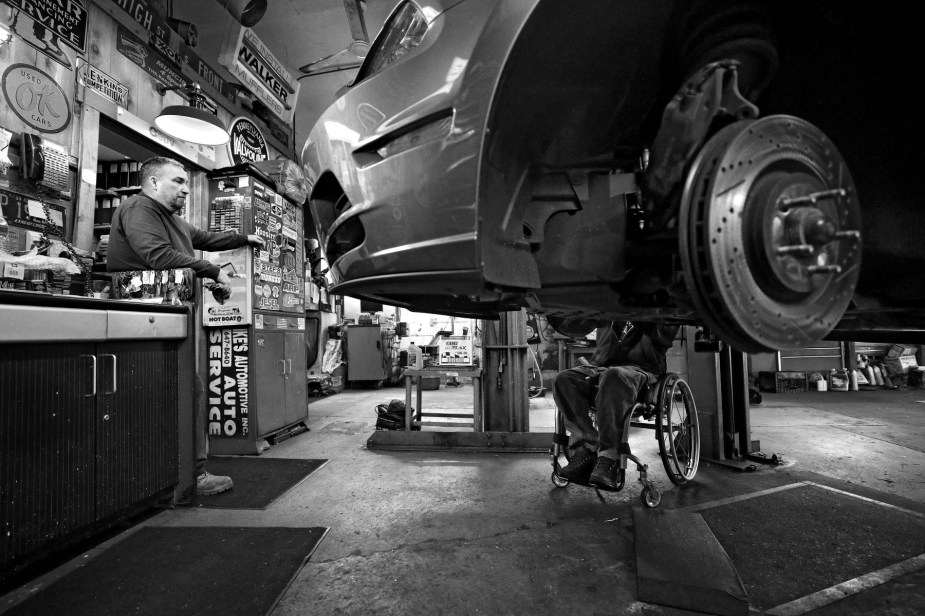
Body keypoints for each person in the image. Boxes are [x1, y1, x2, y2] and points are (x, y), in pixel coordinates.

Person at [107, 156, 264, 496]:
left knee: (182, 390)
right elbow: (158, 257)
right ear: (152, 183)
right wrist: (212, 271)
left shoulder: (173, 220)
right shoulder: (139, 208)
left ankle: (176, 474)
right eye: (177, 181)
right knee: (175, 391)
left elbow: (205, 238)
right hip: (146, 320)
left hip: (169, 319)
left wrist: (245, 237)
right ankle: (187, 476)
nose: (186, 189)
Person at [553, 321, 679, 490]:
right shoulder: (608, 305)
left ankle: (609, 458)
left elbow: (666, 335)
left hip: (641, 371)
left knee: (614, 376)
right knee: (564, 379)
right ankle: (585, 447)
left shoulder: (656, 307)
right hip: (602, 368)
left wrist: (631, 312)